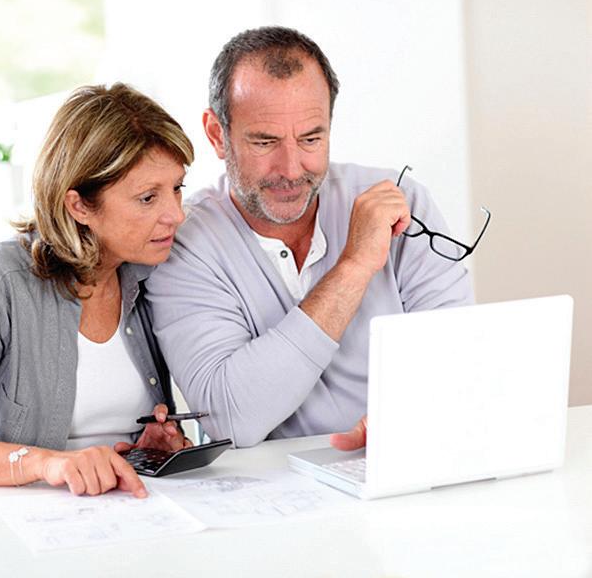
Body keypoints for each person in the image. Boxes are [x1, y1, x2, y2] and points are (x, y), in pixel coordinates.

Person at [145, 26, 475, 450]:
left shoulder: (398, 201)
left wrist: (406, 424)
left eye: (311, 138)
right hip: (272, 485)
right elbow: (231, 418)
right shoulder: (183, 242)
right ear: (216, 134)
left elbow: (461, 362)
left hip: (411, 458)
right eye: (265, 141)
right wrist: (354, 266)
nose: (291, 169)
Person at [0, 83, 194, 498]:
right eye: (147, 198)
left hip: (130, 510)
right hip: (22, 520)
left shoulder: (154, 274)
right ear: (79, 205)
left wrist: (151, 450)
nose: (176, 215)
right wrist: (46, 463)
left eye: (177, 188)